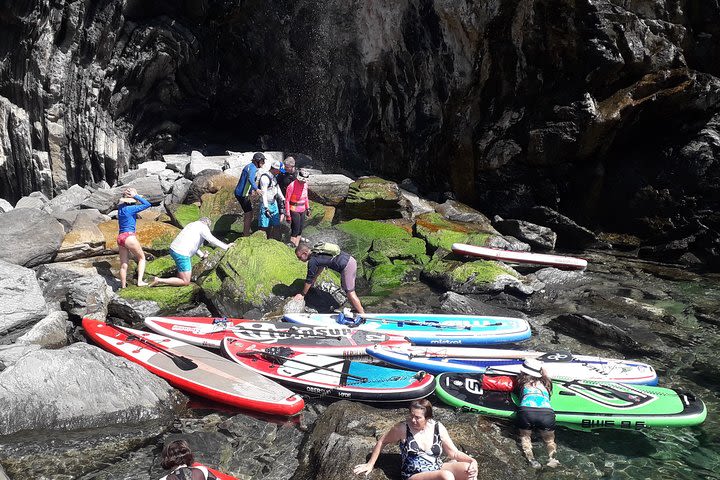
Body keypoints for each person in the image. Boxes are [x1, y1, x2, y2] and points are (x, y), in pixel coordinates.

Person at [353, 399, 478, 480]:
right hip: (412, 475)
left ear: (428, 418)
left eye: (417, 417)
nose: (413, 420)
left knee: (469, 471)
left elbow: (454, 453)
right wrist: (370, 464)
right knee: (446, 476)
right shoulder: (403, 428)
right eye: (411, 415)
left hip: (437, 467)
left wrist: (472, 461)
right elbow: (382, 441)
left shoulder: (437, 427)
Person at [151, 217, 232, 287]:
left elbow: (193, 244)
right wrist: (226, 246)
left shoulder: (191, 224)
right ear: (207, 224)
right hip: (182, 254)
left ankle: (176, 280)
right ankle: (159, 280)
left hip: (173, 250)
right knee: (186, 281)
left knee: (181, 272)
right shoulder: (203, 227)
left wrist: (202, 256)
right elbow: (211, 240)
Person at [293, 243, 365, 314]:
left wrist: (302, 294)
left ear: (305, 253)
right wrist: (314, 279)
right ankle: (356, 309)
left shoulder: (312, 261)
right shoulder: (317, 251)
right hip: (350, 260)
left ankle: (363, 315)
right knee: (347, 289)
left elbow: (309, 279)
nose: (299, 260)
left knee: (350, 292)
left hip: (347, 266)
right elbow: (321, 266)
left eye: (299, 257)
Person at [515, 358, 560, 469]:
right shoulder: (546, 382)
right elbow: (545, 373)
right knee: (549, 440)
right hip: (546, 413)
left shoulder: (521, 382)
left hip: (527, 412)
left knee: (525, 437)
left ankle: (532, 461)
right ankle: (551, 459)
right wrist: (541, 366)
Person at [116, 187, 151, 288]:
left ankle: (123, 286)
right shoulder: (131, 209)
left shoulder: (120, 208)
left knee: (123, 264)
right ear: (132, 200)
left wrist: (129, 196)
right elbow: (147, 204)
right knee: (141, 258)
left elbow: (121, 201)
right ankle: (140, 281)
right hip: (129, 236)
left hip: (120, 237)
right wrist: (135, 196)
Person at [234, 152, 265, 236]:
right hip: (241, 194)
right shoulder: (253, 168)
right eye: (262, 161)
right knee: (249, 214)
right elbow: (250, 179)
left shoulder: (250, 166)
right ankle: (246, 234)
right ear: (257, 161)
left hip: (242, 193)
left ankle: (245, 232)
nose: (263, 163)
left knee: (249, 213)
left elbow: (249, 180)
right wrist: (257, 189)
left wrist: (251, 190)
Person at [258, 160, 285, 240]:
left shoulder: (274, 177)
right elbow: (264, 194)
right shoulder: (265, 178)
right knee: (264, 226)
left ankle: (276, 241)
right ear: (275, 169)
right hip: (265, 204)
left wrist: (283, 199)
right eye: (279, 171)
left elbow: (277, 187)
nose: (280, 172)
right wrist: (266, 208)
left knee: (276, 224)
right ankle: (262, 241)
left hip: (274, 203)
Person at [284, 169, 311, 247]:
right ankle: (292, 245)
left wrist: (308, 208)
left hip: (303, 209)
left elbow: (306, 197)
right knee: (295, 229)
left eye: (304, 181)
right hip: (294, 209)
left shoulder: (306, 184)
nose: (303, 182)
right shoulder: (292, 186)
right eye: (302, 180)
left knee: (300, 230)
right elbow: (287, 201)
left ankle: (296, 246)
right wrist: (288, 214)